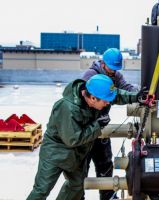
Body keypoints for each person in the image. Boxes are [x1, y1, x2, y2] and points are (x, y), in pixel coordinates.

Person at [26, 74, 121, 200]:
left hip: (75, 154)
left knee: (76, 185)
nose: (108, 103)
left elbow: (117, 95)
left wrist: (137, 97)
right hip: (55, 153)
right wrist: (97, 126)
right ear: (92, 98)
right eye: (105, 101)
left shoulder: (94, 95)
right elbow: (73, 139)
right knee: (42, 190)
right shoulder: (67, 107)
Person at [82, 48, 139, 200]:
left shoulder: (115, 76)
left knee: (105, 164)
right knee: (82, 167)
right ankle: (77, 196)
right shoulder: (90, 76)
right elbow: (82, 100)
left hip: (102, 130)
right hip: (86, 130)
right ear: (103, 63)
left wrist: (138, 94)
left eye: (116, 69)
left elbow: (125, 88)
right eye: (111, 68)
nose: (113, 71)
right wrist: (93, 118)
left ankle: (108, 195)